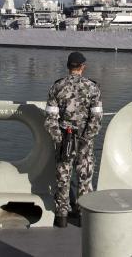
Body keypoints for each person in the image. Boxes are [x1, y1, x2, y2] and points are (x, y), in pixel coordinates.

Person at [44, 51, 103, 228]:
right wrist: (87, 138)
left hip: (64, 137)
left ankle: (62, 214)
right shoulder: (92, 87)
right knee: (84, 176)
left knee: (63, 175)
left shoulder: (57, 87)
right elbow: (97, 117)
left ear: (68, 67)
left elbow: (50, 118)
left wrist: (59, 138)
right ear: (83, 67)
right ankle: (83, 213)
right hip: (84, 138)